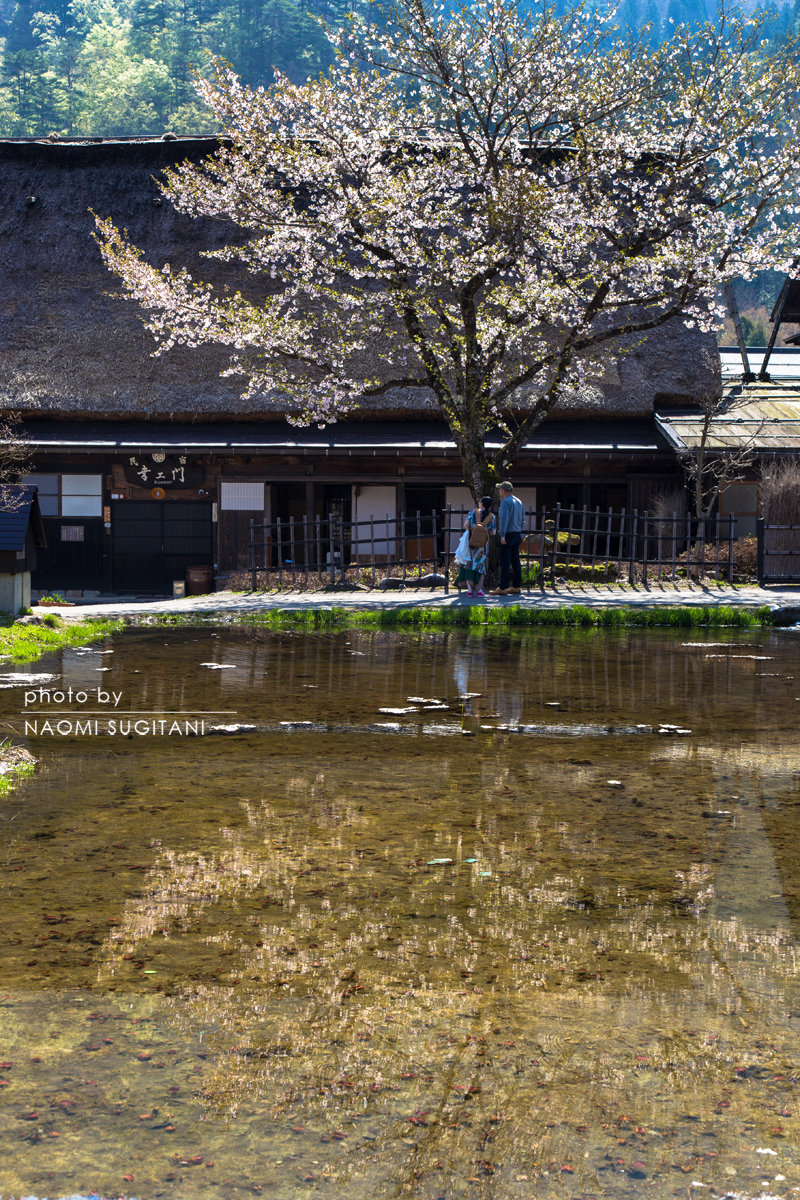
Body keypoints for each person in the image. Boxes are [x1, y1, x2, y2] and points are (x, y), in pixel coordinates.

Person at [490, 481, 525, 595]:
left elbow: (504, 520)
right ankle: (516, 585)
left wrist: (502, 535)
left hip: (507, 534)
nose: (499, 491)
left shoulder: (505, 502)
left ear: (503, 490)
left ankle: (503, 587)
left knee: (505, 562)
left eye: (500, 489)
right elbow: (523, 520)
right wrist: (518, 529)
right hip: (516, 533)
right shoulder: (519, 501)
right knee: (516, 561)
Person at [457, 496, 495, 598]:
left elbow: (466, 525)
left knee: (468, 564)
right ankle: (479, 590)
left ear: (481, 503)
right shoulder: (492, 517)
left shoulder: (473, 512)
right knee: (480, 566)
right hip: (482, 546)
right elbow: (493, 532)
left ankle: (469, 590)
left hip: (470, 544)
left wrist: (473, 529)